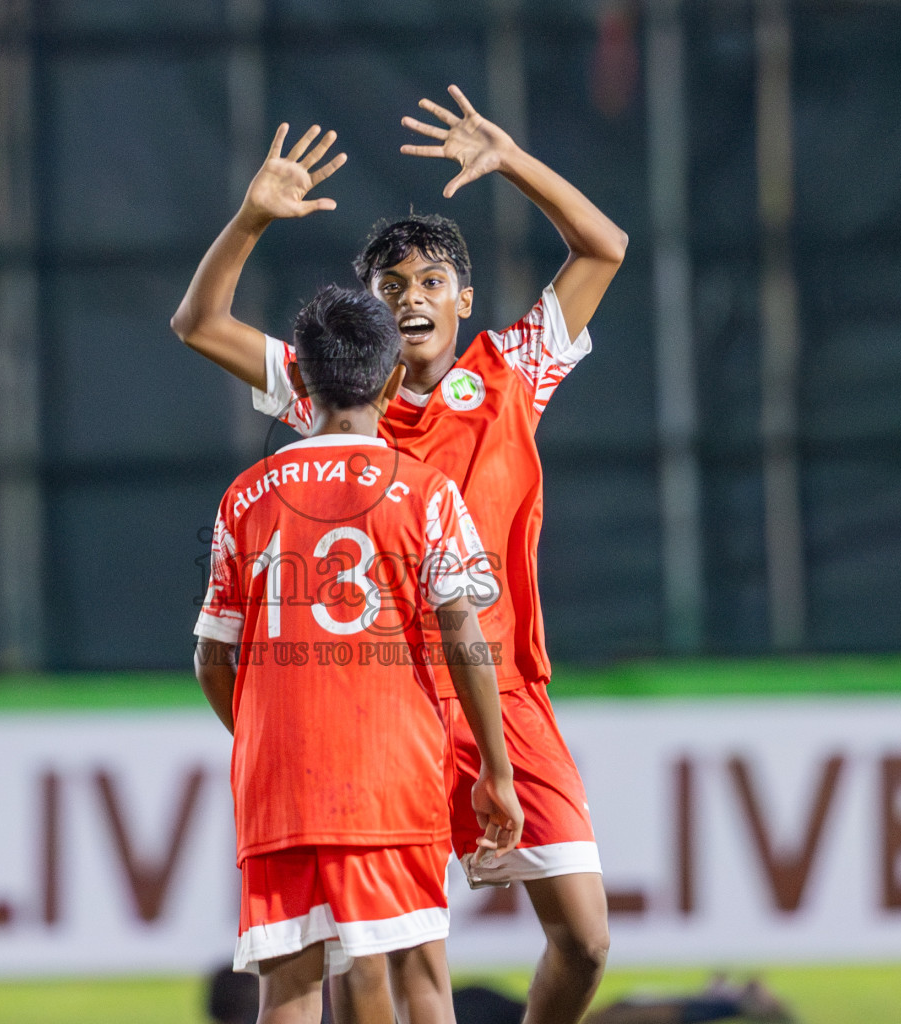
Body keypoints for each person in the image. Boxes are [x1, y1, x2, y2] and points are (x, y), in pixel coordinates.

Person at [172, 85, 628, 1024]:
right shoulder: (328, 394)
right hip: (391, 701)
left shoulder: (510, 375)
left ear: (464, 298)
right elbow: (201, 322)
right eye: (393, 286)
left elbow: (604, 247)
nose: (413, 297)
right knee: (386, 964)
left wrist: (511, 162)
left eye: (431, 283)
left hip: (500, 691)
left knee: (584, 940)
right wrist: (252, 218)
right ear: (370, 314)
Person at [193, 285, 525, 1024]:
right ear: (389, 380)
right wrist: (495, 772)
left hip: (276, 785)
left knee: (287, 989)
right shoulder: (427, 492)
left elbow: (212, 659)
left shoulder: (244, 498)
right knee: (405, 976)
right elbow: (464, 636)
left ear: (300, 382)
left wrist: (260, 739)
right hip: (390, 776)